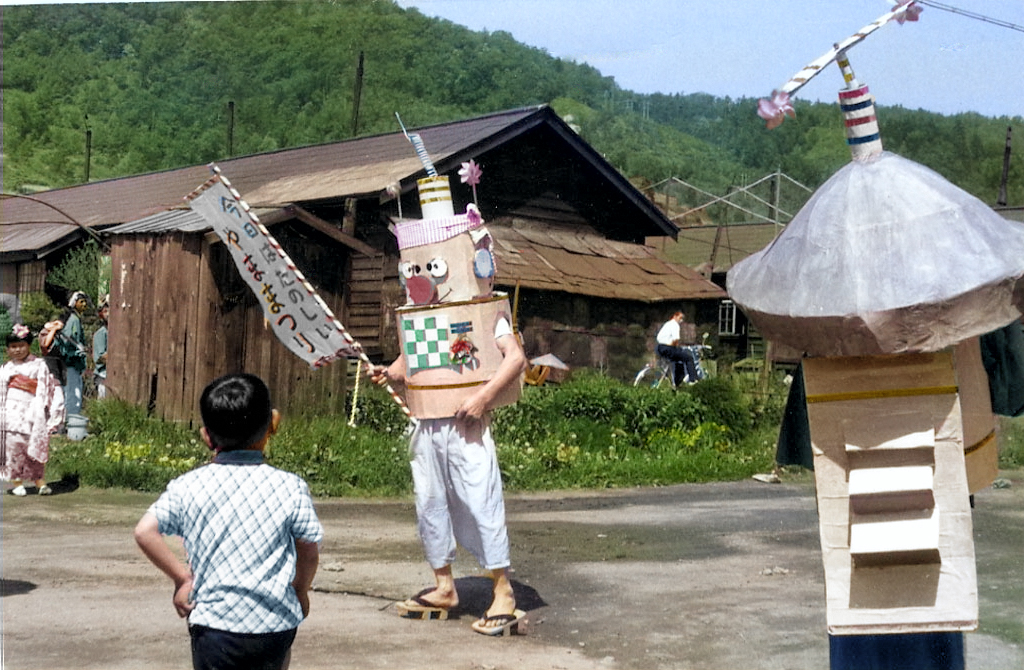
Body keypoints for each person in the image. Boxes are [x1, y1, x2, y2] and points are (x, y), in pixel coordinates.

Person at [134, 373, 323, 670]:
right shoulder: (290, 486)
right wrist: (300, 590)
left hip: (213, 624)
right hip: (274, 623)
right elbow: (308, 549)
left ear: (206, 436)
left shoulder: (188, 485)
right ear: (272, 426)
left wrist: (182, 579)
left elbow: (145, 531)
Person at [372, 324, 527, 635]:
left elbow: (515, 359)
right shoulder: (418, 315)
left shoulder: (480, 311)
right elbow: (409, 364)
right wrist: (388, 374)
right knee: (429, 503)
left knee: (481, 501)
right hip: (427, 423)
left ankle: (503, 591)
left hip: (467, 423)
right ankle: (444, 586)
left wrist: (484, 398)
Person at [1, 324, 65, 496]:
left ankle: (39, 482)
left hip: (31, 409)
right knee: (13, 448)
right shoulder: (6, 368)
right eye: (13, 347)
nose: (17, 350)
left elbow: (45, 387)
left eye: (21, 346)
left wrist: (42, 409)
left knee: (32, 446)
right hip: (11, 413)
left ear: (29, 346)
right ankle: (17, 483)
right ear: (8, 349)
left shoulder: (39, 365)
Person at [59, 290, 89, 416]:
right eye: (81, 302)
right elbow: (69, 340)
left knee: (73, 391)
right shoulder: (73, 320)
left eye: (85, 302)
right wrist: (79, 350)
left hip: (73, 363)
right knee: (72, 393)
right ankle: (69, 420)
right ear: (74, 303)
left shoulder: (75, 319)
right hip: (71, 362)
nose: (84, 305)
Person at [655, 311, 698, 386]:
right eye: (680, 318)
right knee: (689, 358)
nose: (681, 320)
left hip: (660, 348)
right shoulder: (675, 325)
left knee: (678, 360)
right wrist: (674, 346)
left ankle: (677, 383)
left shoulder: (667, 324)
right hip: (668, 348)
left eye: (683, 319)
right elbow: (676, 339)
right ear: (675, 316)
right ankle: (693, 380)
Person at [92, 297, 109, 398]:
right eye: (105, 311)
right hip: (103, 376)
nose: (108, 314)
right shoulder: (101, 334)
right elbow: (99, 359)